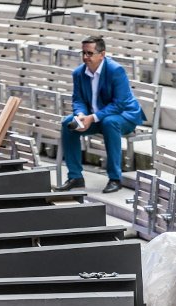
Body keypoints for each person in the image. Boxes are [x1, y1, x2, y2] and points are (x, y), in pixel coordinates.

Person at [56, 35, 146, 194]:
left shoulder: (115, 70)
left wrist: (92, 118)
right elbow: (78, 99)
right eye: (83, 53)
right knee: (67, 124)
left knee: (109, 122)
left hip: (124, 115)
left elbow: (119, 104)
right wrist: (81, 115)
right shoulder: (78, 73)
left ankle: (115, 178)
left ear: (102, 54)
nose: (85, 57)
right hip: (96, 116)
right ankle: (75, 177)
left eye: (89, 53)